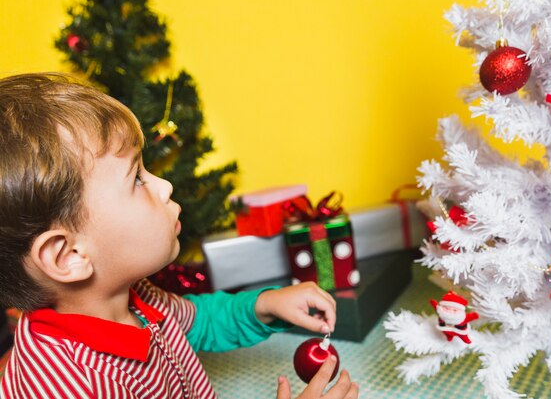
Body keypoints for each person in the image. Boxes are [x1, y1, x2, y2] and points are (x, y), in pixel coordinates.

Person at [0, 73, 359, 399]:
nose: (165, 185)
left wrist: (263, 306)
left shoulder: (134, 298)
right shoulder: (72, 386)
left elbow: (196, 320)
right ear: (68, 256)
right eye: (136, 180)